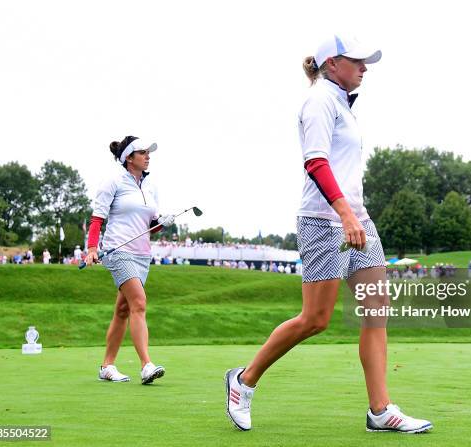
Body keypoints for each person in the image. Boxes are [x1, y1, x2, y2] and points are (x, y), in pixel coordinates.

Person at [225, 35, 432, 434]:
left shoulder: (341, 103)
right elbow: (316, 163)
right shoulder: (319, 100)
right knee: (315, 319)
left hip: (357, 220)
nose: (365, 68)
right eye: (358, 61)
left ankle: (380, 410)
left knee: (376, 312)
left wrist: (355, 216)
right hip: (325, 221)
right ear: (333, 63)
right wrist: (343, 215)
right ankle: (244, 380)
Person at [85, 136, 174, 385]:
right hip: (117, 250)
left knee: (123, 310)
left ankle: (107, 366)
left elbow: (149, 227)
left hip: (142, 254)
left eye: (148, 153)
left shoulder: (150, 186)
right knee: (139, 302)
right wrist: (92, 248)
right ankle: (146, 364)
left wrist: (161, 224)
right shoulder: (113, 181)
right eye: (143, 152)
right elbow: (97, 218)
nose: (148, 156)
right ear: (129, 158)